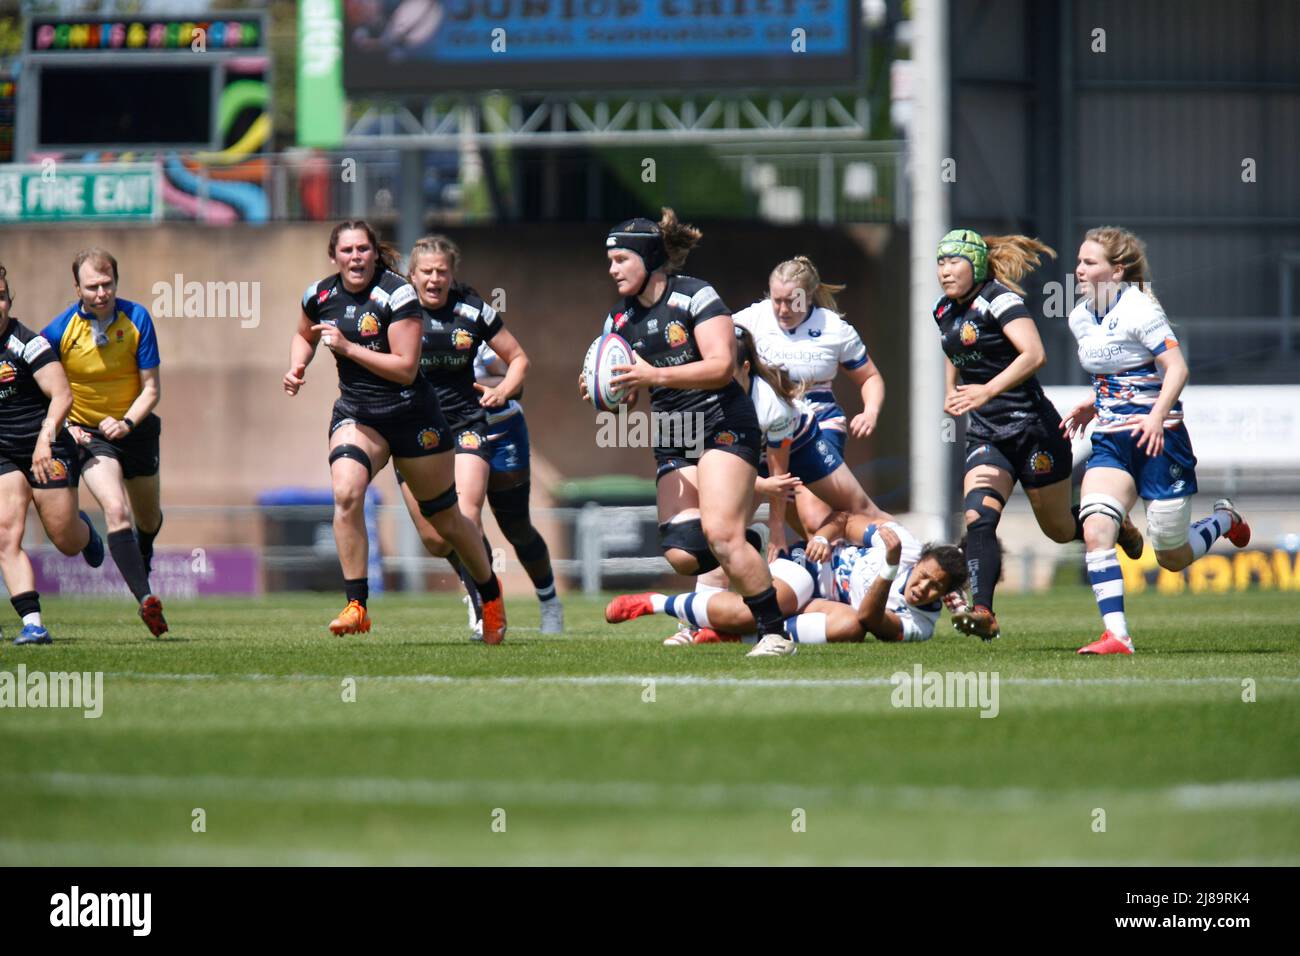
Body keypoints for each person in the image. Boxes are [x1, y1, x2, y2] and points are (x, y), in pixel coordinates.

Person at [582, 208, 795, 657]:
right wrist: (608, 392)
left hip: (722, 423)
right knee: (681, 554)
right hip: (673, 431)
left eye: (621, 259)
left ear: (648, 257)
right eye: (610, 261)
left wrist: (651, 376)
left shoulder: (695, 297)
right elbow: (631, 398)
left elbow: (720, 367)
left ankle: (775, 634)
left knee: (719, 533)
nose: (612, 269)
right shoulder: (616, 324)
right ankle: (746, 544)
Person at [284, 220, 506, 641]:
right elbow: (303, 335)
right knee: (347, 492)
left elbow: (406, 369)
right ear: (334, 256)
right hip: (359, 415)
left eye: (363, 249)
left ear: (374, 253)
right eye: (347, 250)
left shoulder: (397, 293)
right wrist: (298, 365)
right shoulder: (319, 295)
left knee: (446, 525)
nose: (355, 257)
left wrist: (348, 348)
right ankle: (357, 605)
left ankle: (490, 594)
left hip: (412, 417)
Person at [934, 228, 1142, 641]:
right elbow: (953, 350)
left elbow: (1035, 354)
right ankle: (985, 612)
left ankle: (1115, 524)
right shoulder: (943, 310)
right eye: (940, 262)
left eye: (954, 261)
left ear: (975, 264)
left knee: (1061, 531)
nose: (945, 270)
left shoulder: (1001, 301)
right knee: (977, 517)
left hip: (1033, 431)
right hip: (986, 435)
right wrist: (949, 392)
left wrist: (987, 389)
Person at [1062, 226, 1250, 655]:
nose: (1079, 269)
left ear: (1117, 271)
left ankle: (1224, 519)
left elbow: (1176, 369)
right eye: (1079, 261)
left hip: (1159, 442)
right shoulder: (1078, 317)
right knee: (1095, 529)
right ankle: (1117, 636)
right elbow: (1119, 375)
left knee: (1171, 555)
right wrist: (1093, 404)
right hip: (1111, 440)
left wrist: (1156, 417)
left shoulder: (1139, 309)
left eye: (1090, 262)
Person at [396, 236, 559, 637]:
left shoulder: (473, 312)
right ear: (412, 275)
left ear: (452, 274)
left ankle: (532, 601)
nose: (435, 279)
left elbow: (518, 361)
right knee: (436, 539)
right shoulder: (396, 312)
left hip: (478, 426)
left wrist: (503, 389)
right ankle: (479, 593)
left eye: (442, 272)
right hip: (416, 433)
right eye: (427, 272)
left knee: (486, 520)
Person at [42, 248, 168, 637]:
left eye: (107, 284)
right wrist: (66, 428)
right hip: (89, 436)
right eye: (93, 286)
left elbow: (152, 388)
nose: (102, 293)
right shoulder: (58, 331)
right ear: (77, 288)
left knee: (148, 517)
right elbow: (43, 388)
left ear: (117, 282)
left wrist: (128, 421)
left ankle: (143, 554)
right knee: (116, 509)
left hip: (135, 426)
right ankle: (147, 601)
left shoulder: (137, 319)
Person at [607, 511, 966, 646]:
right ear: (920, 561)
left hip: (829, 604)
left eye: (936, 588)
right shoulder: (905, 545)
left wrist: (888, 570)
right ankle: (657, 603)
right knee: (755, 610)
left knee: (851, 630)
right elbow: (844, 520)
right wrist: (824, 537)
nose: (924, 587)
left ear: (946, 596)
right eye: (924, 576)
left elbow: (871, 619)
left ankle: (732, 637)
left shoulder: (921, 623)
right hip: (807, 569)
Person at [733, 256, 884, 540]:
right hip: (768, 433)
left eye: (792, 301)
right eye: (777, 300)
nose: (783, 308)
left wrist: (870, 411)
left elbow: (870, 377)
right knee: (738, 526)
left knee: (816, 518)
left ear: (810, 295)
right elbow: (713, 344)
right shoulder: (752, 318)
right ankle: (838, 567)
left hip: (817, 426)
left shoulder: (834, 329)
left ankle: (906, 552)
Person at [0, 265, 104, 645]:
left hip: (46, 443)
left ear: (10, 301)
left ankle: (85, 532)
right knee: (5, 532)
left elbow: (62, 396)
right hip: (3, 453)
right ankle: (32, 623)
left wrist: (45, 439)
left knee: (64, 539)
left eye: (1, 296)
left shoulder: (29, 344)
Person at [473, 339, 563, 634]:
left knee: (517, 528)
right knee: (464, 522)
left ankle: (549, 602)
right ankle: (483, 607)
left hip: (501, 430)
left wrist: (495, 388)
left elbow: (517, 380)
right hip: (454, 433)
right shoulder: (406, 325)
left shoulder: (472, 321)